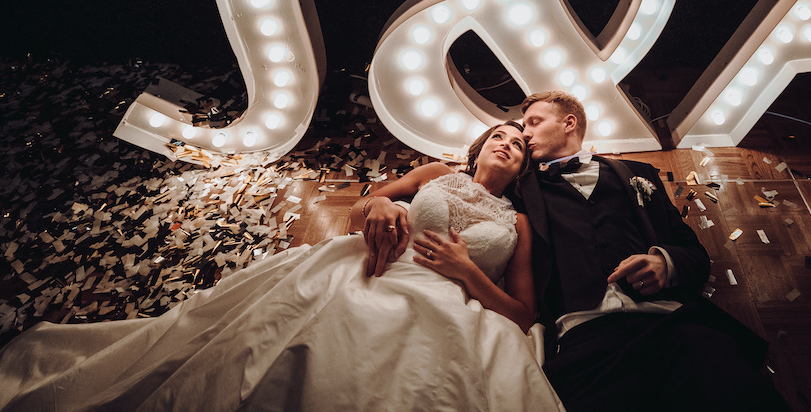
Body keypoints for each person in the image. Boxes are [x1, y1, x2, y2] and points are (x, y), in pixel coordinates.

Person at [0, 122, 564, 411]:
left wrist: (468, 272)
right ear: (477, 148)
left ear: (523, 167)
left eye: (517, 142)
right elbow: (359, 211)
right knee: (327, 332)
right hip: (378, 269)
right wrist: (384, 203)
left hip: (451, 304)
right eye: (497, 135)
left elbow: (522, 314)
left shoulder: (514, 225)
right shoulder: (435, 172)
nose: (506, 143)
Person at [518, 91, 789, 411]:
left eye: (534, 122)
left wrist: (666, 263)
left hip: (676, 329)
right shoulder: (522, 186)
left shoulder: (638, 175)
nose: (525, 133)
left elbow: (696, 256)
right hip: (584, 348)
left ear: (569, 122)